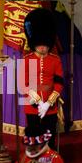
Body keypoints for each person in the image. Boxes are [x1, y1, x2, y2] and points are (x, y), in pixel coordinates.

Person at [21, 8, 64, 149]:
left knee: (49, 136)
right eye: (40, 44)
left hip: (50, 108)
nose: (43, 48)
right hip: (32, 107)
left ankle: (49, 160)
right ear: (34, 43)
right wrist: (38, 101)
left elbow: (59, 83)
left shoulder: (55, 60)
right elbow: (24, 84)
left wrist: (48, 103)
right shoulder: (27, 59)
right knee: (33, 137)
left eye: (46, 45)